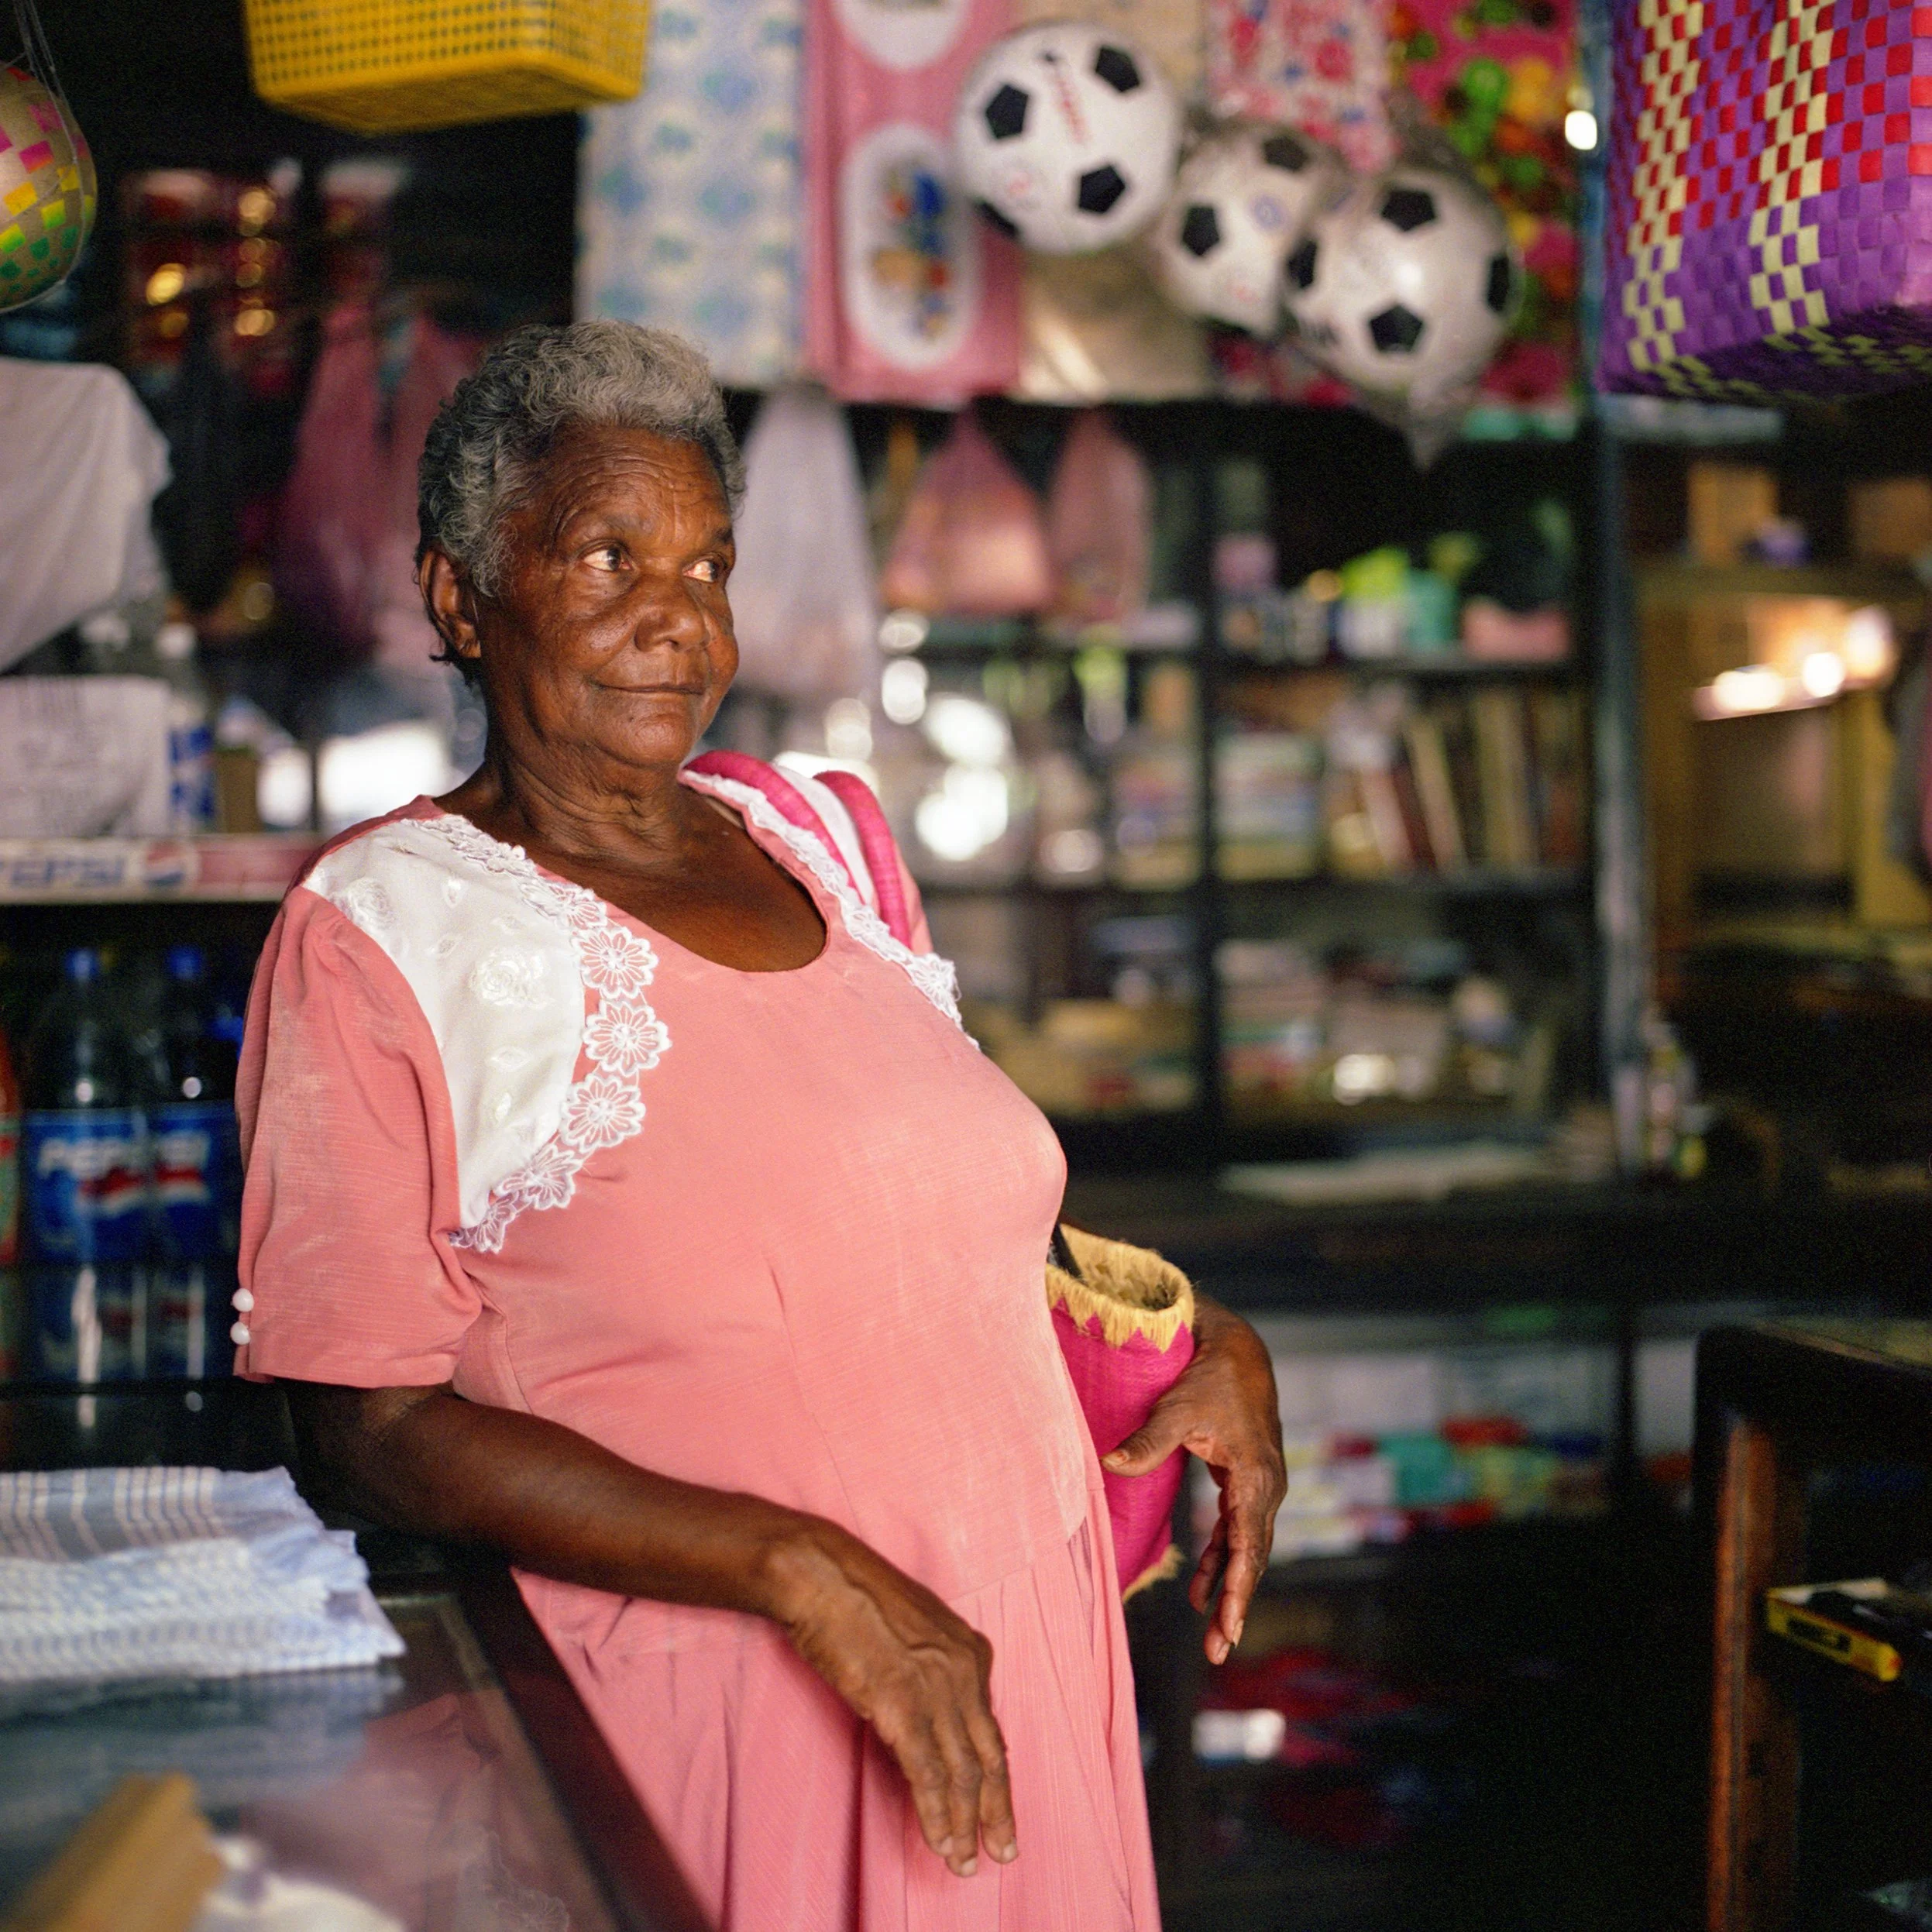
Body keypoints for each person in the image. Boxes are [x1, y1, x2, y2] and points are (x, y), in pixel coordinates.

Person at [235, 321, 1286, 1932]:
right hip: (737, 1695)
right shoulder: (383, 930)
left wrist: (1204, 1335)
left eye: (706, 562)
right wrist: (801, 1565)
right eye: (604, 555)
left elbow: (918, 1219)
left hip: (1009, 1664)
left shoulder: (820, 838)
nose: (676, 615)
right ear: (461, 596)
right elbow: (361, 1425)